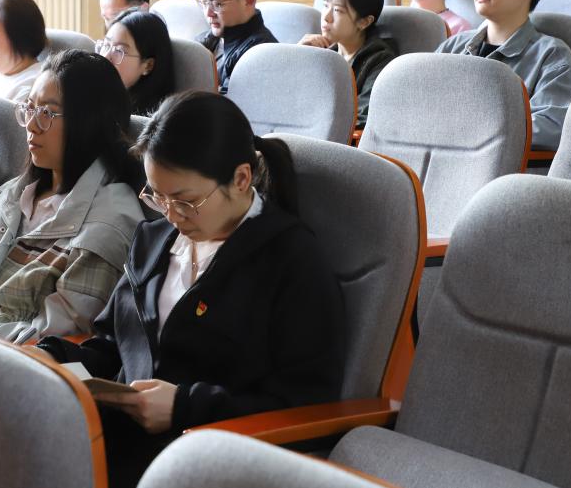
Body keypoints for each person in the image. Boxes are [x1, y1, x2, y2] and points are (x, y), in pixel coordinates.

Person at [34, 91, 346, 488]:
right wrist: (54, 357)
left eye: (185, 201)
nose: (171, 215)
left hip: (204, 462)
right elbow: (114, 346)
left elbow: (306, 403)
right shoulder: (154, 241)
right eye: (157, 196)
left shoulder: (292, 261)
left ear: (241, 179)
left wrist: (184, 406)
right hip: (116, 442)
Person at [0, 50, 145, 343]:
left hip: (7, 361)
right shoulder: (15, 193)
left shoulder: (108, 224)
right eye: (29, 108)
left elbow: (54, 335)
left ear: (90, 121)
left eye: (47, 113)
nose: (32, 125)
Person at [437, 0, 571, 151]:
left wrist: (470, 131)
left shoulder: (552, 56)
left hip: (502, 166)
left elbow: (551, 126)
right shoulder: (453, 47)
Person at [300, 0, 396, 129]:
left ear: (364, 22)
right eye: (326, 6)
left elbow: (362, 118)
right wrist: (298, 57)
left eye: (338, 10)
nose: (326, 17)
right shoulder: (321, 52)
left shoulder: (381, 62)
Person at [195, 0, 277, 94]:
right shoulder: (209, 39)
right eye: (204, 2)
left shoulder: (260, 56)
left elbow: (225, 106)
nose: (208, 13)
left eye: (217, 4)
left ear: (248, 1)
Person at [97, 8, 176, 116]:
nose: (105, 57)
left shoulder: (151, 120)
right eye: (106, 45)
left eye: (119, 50)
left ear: (148, 66)